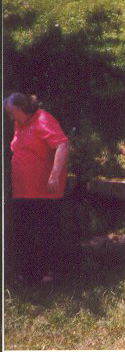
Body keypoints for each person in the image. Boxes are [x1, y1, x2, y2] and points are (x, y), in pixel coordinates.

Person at [5, 92, 70, 285]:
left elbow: (63, 145)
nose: (9, 117)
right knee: (25, 232)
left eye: (10, 112)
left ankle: (51, 274)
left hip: (43, 191)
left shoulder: (43, 119)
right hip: (23, 191)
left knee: (46, 231)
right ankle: (29, 274)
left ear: (20, 109)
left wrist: (54, 175)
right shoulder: (20, 123)